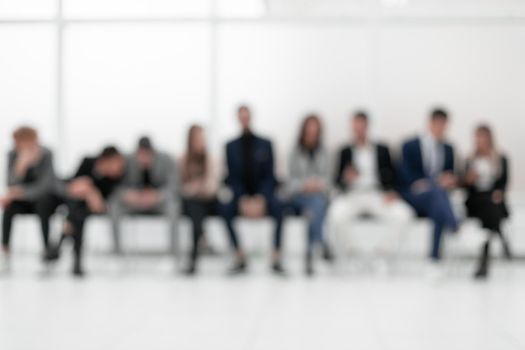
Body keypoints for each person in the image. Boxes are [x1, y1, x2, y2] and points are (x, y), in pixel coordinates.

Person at [328, 111, 412, 260]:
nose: (359, 130)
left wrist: (392, 191)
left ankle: (383, 252)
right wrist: (346, 179)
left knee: (403, 214)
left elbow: (393, 175)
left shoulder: (382, 150)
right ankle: (352, 252)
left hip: (377, 194)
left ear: (367, 127)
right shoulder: (344, 151)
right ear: (352, 127)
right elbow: (336, 181)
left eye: (362, 126)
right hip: (352, 194)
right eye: (356, 126)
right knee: (335, 215)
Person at [221, 105, 286, 275]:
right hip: (241, 195)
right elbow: (231, 177)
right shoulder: (230, 146)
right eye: (241, 117)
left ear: (251, 118)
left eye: (246, 117)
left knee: (279, 207)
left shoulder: (265, 143)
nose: (244, 120)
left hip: (262, 195)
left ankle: (276, 257)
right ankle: (239, 255)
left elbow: (270, 176)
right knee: (225, 210)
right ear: (238, 119)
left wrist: (261, 198)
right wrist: (242, 198)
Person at [46, 146, 126, 276]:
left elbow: (100, 204)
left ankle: (59, 242)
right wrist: (90, 192)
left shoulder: (116, 176)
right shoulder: (88, 162)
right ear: (106, 160)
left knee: (77, 211)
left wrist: (90, 191)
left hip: (97, 207)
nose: (119, 166)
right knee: (78, 212)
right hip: (78, 204)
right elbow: (75, 186)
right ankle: (77, 264)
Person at [399, 108, 459, 261]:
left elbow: (449, 174)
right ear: (431, 123)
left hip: (436, 197)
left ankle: (434, 255)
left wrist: (447, 180)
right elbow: (405, 175)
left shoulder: (448, 149)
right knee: (438, 194)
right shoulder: (410, 145)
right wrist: (432, 182)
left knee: (437, 200)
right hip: (414, 194)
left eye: (444, 125)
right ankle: (453, 223)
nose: (442, 129)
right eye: (439, 124)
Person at [0, 126, 61, 269]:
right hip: (22, 201)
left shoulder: (46, 154)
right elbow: (10, 183)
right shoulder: (12, 155)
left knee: (43, 205)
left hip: (42, 199)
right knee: (8, 208)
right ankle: (5, 249)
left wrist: (21, 193)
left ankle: (47, 250)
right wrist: (20, 166)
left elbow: (46, 185)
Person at [110, 137, 179, 256]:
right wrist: (128, 194)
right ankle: (117, 250)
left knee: (174, 206)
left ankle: (173, 251)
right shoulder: (127, 160)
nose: (144, 159)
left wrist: (158, 195)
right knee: (113, 206)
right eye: (141, 155)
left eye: (147, 155)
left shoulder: (165, 159)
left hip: (158, 203)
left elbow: (174, 186)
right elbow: (115, 186)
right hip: (134, 203)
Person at [463, 125, 512, 279]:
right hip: (476, 201)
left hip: (494, 200)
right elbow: (464, 187)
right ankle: (500, 234)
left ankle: (483, 262)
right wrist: (469, 180)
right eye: (479, 137)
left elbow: (503, 183)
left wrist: (499, 193)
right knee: (488, 206)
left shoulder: (500, 159)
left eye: (484, 137)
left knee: (490, 209)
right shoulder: (469, 160)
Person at [287, 114, 333, 276]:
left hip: (318, 195)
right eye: (309, 127)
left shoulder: (325, 152)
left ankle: (309, 256)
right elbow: (290, 181)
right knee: (315, 206)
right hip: (299, 196)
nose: (312, 131)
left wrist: (318, 184)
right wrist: (305, 185)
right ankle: (321, 242)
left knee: (312, 212)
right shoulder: (294, 152)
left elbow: (329, 179)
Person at [179, 125, 219, 275]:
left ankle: (202, 242)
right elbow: (181, 188)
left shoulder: (211, 159)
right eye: (197, 137)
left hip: (209, 201)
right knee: (194, 211)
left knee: (199, 210)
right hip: (192, 203)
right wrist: (196, 187)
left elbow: (211, 187)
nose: (201, 141)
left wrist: (196, 187)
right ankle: (201, 243)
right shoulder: (183, 160)